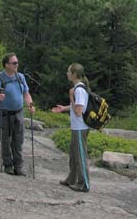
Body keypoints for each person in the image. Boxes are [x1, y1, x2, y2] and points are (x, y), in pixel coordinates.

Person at [0, 53, 35, 176]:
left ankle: (18, 166)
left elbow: (26, 94)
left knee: (18, 141)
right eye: (14, 63)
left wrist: (30, 105)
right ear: (6, 65)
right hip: (4, 114)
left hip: (19, 113)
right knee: (5, 141)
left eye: (17, 62)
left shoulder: (20, 77)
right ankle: (8, 165)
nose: (17, 65)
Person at [51, 63, 90, 192]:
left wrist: (71, 97)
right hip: (76, 128)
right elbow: (78, 107)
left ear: (74, 74)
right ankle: (72, 178)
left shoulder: (78, 90)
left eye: (68, 72)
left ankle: (84, 184)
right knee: (74, 155)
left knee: (80, 156)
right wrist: (64, 108)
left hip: (80, 128)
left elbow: (78, 111)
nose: (67, 74)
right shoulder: (79, 88)